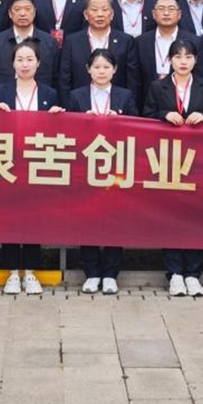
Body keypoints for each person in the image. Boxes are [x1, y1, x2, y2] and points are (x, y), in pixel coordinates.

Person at [144, 39, 203, 297]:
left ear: (195, 60)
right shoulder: (158, 86)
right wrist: (164, 114)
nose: (183, 62)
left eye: (188, 57)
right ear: (169, 60)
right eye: (177, 56)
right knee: (171, 216)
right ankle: (174, 273)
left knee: (196, 216)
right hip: (168, 161)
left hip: (199, 161)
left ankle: (193, 274)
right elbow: (145, 114)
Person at [0, 41, 61, 294]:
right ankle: (12, 273)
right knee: (8, 217)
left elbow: (58, 131)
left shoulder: (49, 93)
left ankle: (31, 272)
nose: (24, 64)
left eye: (30, 59)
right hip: (8, 162)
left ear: (38, 63)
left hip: (37, 162)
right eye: (20, 59)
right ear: (12, 63)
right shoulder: (1, 91)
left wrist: (58, 116)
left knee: (34, 217)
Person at [67, 49, 137, 294]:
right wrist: (81, 120)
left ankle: (110, 274)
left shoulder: (125, 96)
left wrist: (119, 119)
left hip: (117, 165)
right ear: (88, 69)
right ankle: (91, 272)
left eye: (106, 67)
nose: (101, 72)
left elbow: (137, 128)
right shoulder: (76, 96)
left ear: (115, 70)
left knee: (115, 219)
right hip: (85, 165)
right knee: (87, 218)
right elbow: (66, 130)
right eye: (96, 67)